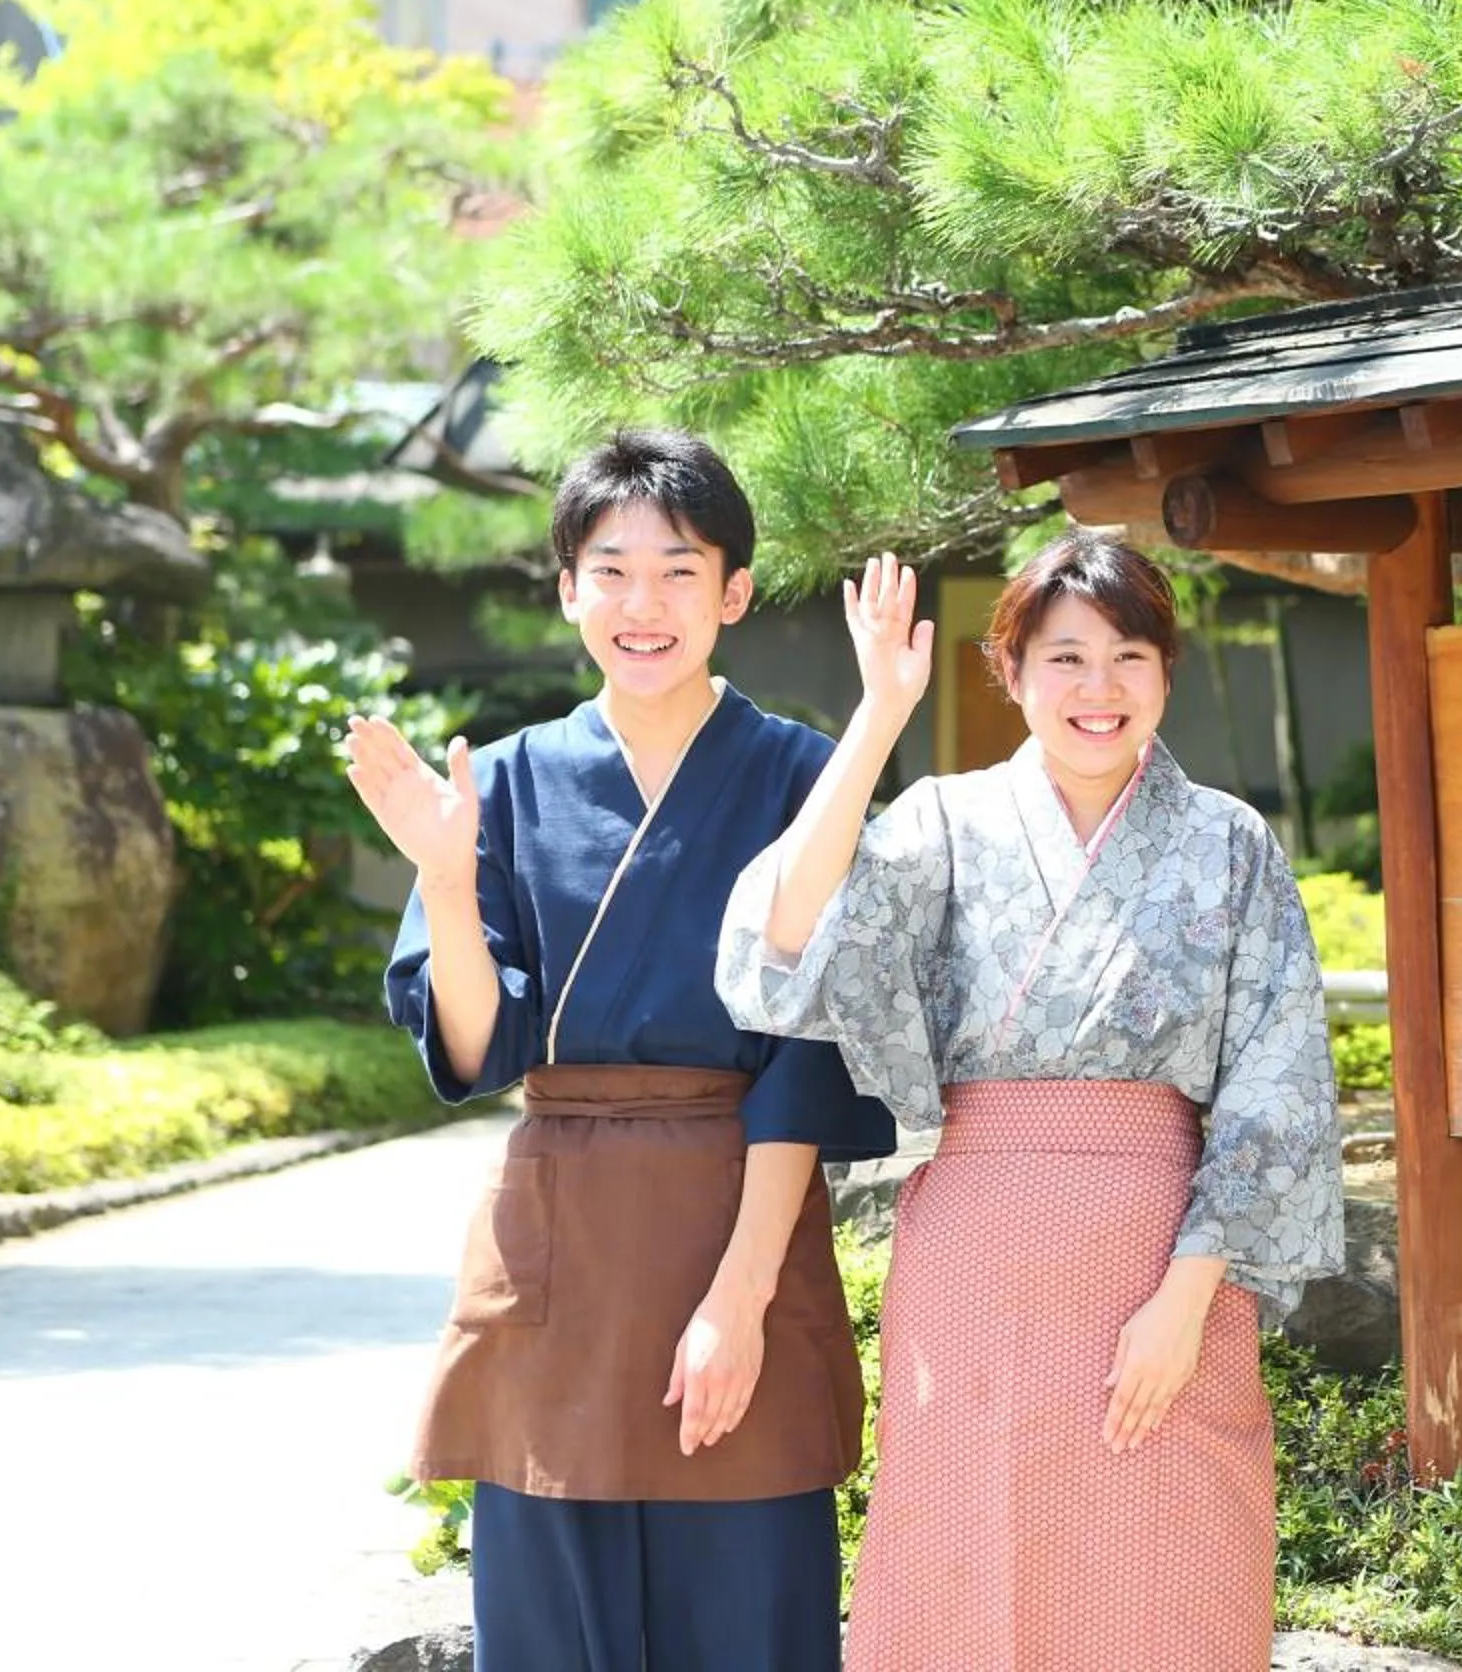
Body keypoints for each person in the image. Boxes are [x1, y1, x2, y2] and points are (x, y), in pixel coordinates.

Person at [717, 529, 1344, 1672]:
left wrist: (1187, 1298)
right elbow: (783, 940)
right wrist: (878, 718)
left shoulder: (1227, 844)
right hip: (975, 1259)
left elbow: (1276, 1082)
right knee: (965, 1558)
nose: (1098, 688)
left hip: (1166, 1266)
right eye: (1065, 657)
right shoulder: (943, 825)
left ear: (1166, 669)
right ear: (1008, 671)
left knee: (1176, 1572)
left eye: (1129, 655)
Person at [342, 429, 894, 1672]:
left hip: (739, 1220)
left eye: (680, 570)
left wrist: (740, 1301)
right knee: (551, 1625)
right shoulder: (509, 783)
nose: (643, 604)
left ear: (735, 592)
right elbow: (478, 1045)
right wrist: (442, 874)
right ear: (566, 588)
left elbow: (809, 1051)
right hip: (561, 1246)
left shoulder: (808, 773)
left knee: (751, 1614)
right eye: (611, 569)